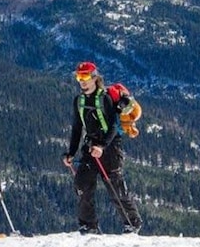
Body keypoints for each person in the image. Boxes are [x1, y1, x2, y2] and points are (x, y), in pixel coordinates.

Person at [61, 61, 142, 234]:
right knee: (82, 183)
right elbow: (77, 128)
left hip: (110, 147)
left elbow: (113, 125)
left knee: (115, 187)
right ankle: (88, 225)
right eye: (79, 77)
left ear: (95, 78)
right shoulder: (79, 101)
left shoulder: (104, 98)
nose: (82, 81)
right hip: (91, 147)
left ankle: (132, 223)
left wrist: (102, 146)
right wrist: (71, 153)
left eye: (85, 77)